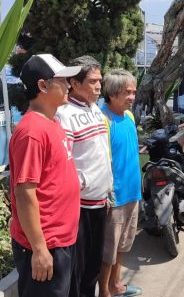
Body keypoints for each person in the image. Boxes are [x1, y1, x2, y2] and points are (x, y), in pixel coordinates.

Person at [9, 54, 82, 297]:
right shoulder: (32, 131)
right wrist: (40, 249)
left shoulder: (52, 123)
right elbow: (25, 193)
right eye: (62, 80)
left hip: (62, 240)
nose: (69, 85)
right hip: (46, 245)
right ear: (43, 85)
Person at [56, 56, 113, 297]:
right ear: (74, 83)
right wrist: (82, 184)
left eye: (100, 80)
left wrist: (106, 190)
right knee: (77, 275)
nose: (99, 86)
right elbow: (63, 163)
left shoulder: (95, 111)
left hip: (99, 203)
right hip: (79, 208)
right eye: (92, 81)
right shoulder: (64, 115)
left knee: (92, 269)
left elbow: (100, 154)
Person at [99, 69, 143, 297]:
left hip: (132, 192)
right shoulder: (102, 119)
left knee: (123, 244)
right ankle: (104, 291)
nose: (132, 97)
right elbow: (101, 161)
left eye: (134, 92)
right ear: (113, 93)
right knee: (109, 250)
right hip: (115, 196)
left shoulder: (130, 117)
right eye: (127, 92)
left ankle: (116, 285)